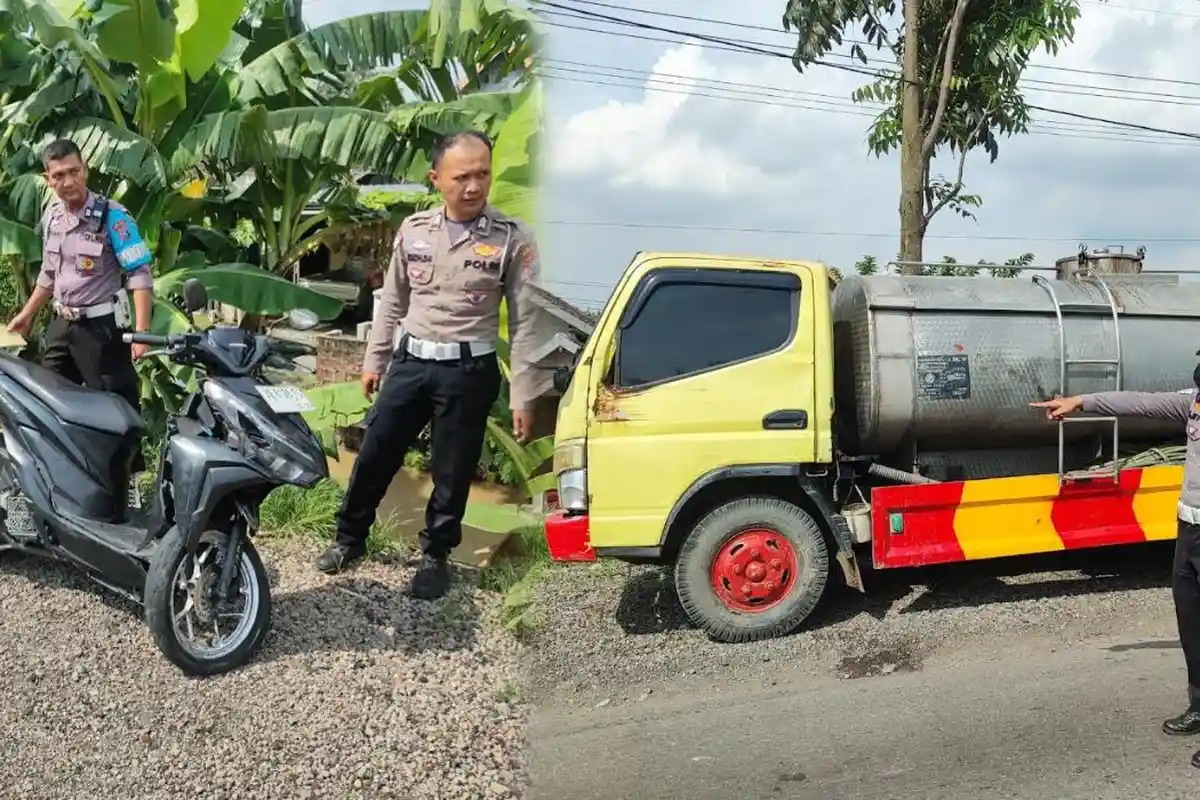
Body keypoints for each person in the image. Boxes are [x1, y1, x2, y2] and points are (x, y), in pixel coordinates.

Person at [315, 130, 542, 600]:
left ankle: (435, 557)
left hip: (468, 371)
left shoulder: (512, 241)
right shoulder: (414, 230)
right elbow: (392, 301)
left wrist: (523, 394)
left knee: (452, 471)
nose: (474, 186)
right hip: (412, 362)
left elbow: (525, 325)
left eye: (483, 174)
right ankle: (348, 539)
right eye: (462, 176)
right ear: (436, 178)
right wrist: (374, 360)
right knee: (375, 451)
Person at [1033, 387, 1200, 769]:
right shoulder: (1193, 401)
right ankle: (1199, 706)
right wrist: (1081, 402)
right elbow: (1140, 402)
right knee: (1191, 626)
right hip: (1188, 531)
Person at [6, 138, 155, 476]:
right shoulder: (53, 218)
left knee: (116, 408)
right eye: (58, 175)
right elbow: (48, 274)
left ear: (85, 170)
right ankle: (66, 483)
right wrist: (28, 315)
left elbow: (139, 275)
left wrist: (143, 333)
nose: (68, 181)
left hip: (102, 330)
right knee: (49, 401)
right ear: (48, 179)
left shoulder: (112, 217)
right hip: (63, 326)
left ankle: (128, 483)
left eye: (74, 171)